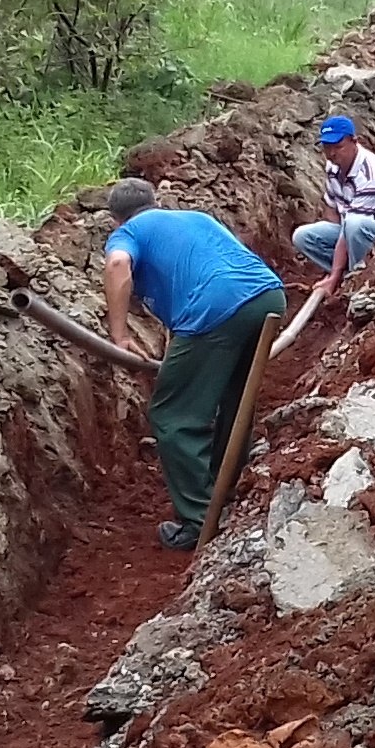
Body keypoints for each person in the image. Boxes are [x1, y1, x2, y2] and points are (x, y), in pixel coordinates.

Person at [102, 178, 287, 550]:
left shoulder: (129, 233)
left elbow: (118, 265)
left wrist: (119, 333)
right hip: (268, 295)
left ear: (116, 220)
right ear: (156, 202)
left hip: (215, 309)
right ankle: (227, 488)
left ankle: (201, 519)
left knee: (173, 415)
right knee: (237, 396)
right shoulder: (194, 219)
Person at [294, 113, 375, 295]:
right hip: (350, 230)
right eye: (327, 148)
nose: (331, 153)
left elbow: (350, 227)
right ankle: (349, 271)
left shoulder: (371, 176)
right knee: (302, 236)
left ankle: (358, 278)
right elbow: (332, 210)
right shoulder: (333, 167)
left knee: (354, 224)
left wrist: (333, 277)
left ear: (354, 142)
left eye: (338, 146)